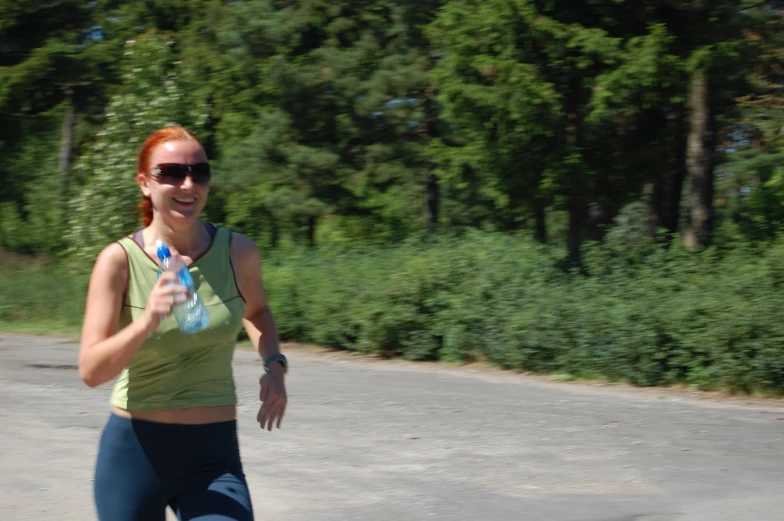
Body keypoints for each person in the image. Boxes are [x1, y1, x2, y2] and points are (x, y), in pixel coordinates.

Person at [77, 126, 288, 521]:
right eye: (171, 173)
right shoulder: (118, 261)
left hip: (212, 455)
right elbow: (91, 370)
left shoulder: (237, 252)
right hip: (134, 451)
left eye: (199, 172)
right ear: (144, 183)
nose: (188, 183)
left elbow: (257, 312)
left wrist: (274, 365)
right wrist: (147, 321)